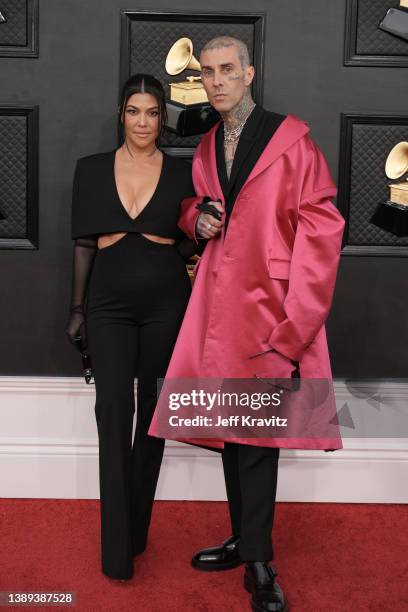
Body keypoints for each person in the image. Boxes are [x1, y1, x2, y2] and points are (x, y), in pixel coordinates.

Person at [149, 37, 345, 611]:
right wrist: (196, 217)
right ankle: (244, 539)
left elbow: (323, 230)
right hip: (218, 308)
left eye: (227, 70)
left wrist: (298, 322)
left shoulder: (293, 140)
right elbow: (199, 204)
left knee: (258, 438)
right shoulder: (208, 143)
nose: (216, 81)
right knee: (234, 431)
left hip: (271, 308)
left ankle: (260, 562)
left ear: (249, 73)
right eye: (208, 72)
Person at [65, 73, 198, 580]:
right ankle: (116, 548)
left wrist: (191, 242)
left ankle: (137, 528)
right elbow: (83, 244)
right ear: (121, 114)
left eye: (152, 112)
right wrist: (77, 309)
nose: (143, 121)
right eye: (133, 111)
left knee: (153, 420)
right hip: (109, 305)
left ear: (162, 118)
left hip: (168, 302)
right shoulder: (92, 170)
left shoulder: (185, 173)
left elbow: (190, 242)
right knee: (112, 414)